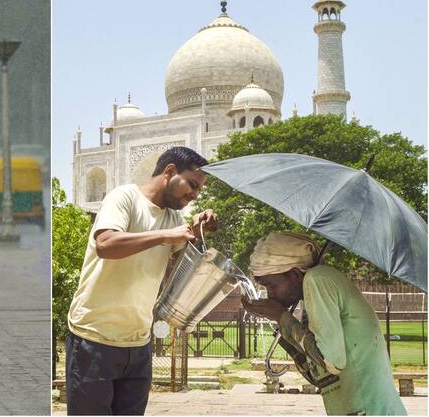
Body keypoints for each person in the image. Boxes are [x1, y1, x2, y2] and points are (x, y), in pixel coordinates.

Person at [65, 146, 218, 415]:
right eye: (191, 185)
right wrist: (166, 235)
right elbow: (106, 244)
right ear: (170, 171)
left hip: (138, 344)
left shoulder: (173, 217)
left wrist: (194, 234)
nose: (194, 195)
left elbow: (174, 277)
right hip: (94, 339)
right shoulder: (124, 197)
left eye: (199, 191)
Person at [241, 232, 407, 415]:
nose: (270, 295)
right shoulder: (316, 288)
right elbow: (321, 377)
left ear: (295, 274)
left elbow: (332, 362)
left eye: (271, 286)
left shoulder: (317, 279)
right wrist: (281, 321)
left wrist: (281, 317)